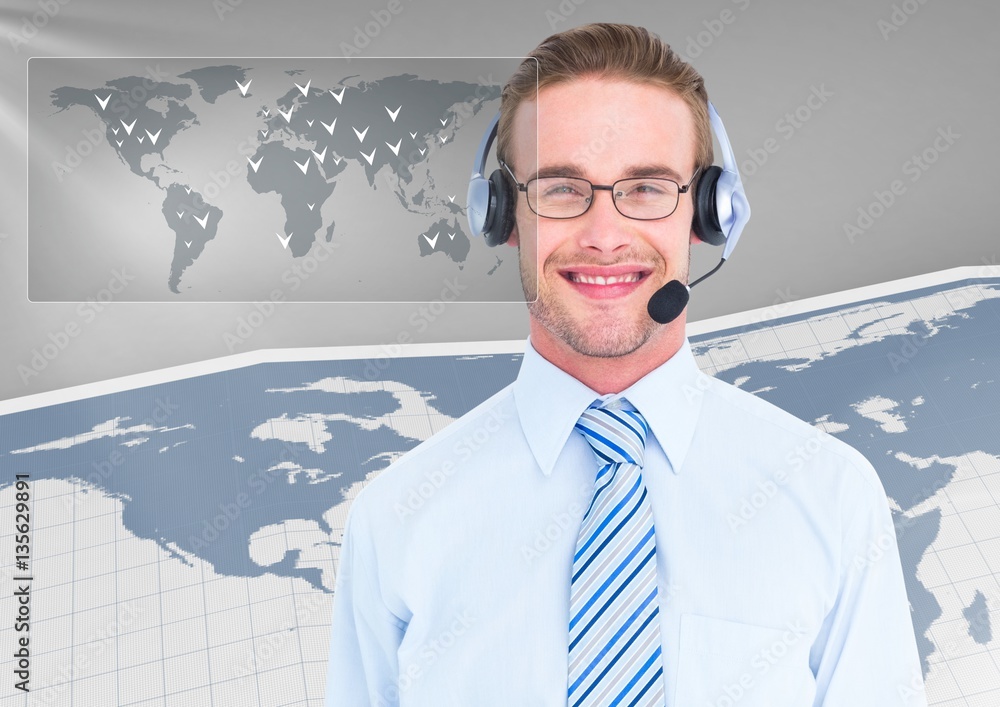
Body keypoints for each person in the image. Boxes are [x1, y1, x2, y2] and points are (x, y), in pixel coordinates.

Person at [325, 22, 926, 707]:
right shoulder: (394, 520)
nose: (605, 235)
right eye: (561, 188)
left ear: (708, 212)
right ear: (500, 214)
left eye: (646, 188)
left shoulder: (832, 497)